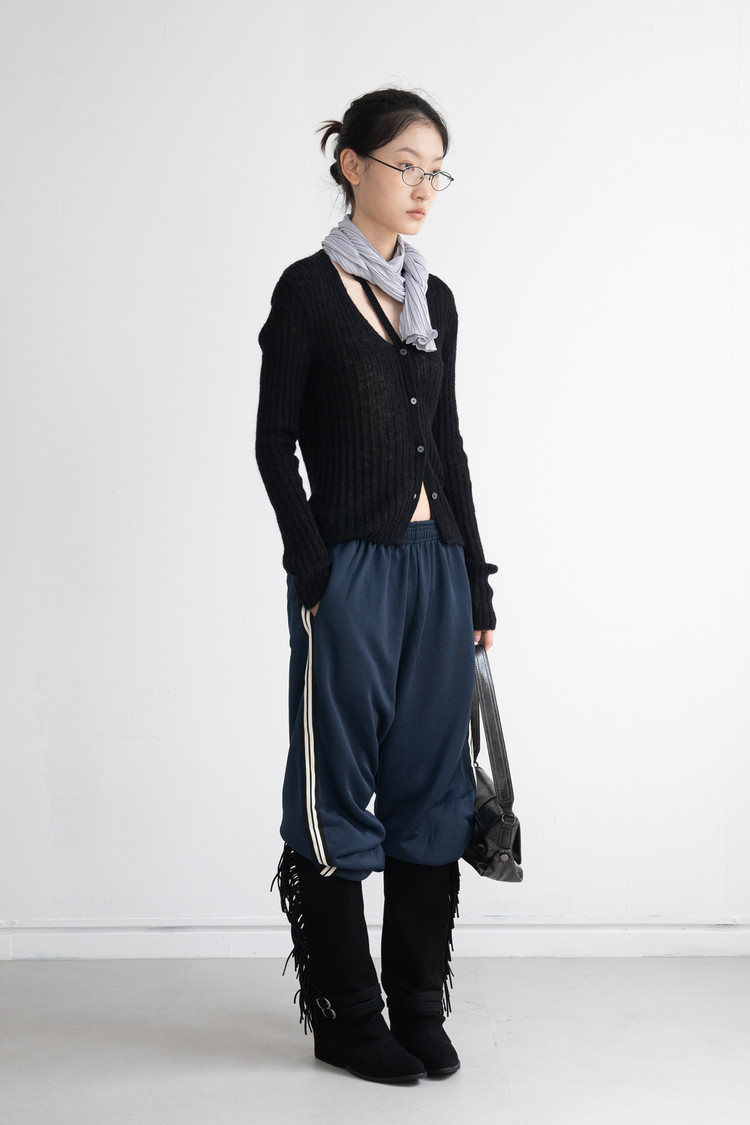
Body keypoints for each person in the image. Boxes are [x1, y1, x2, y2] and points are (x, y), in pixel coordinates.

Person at [255, 87, 498, 1084]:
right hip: (349, 571)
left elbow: (449, 444)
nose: (423, 187)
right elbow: (274, 443)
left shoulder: (435, 301)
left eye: (436, 171)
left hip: (436, 568)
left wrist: (475, 583)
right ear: (352, 165)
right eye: (406, 165)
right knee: (333, 794)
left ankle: (418, 1007)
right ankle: (347, 1015)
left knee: (433, 792)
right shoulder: (307, 292)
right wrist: (313, 569)